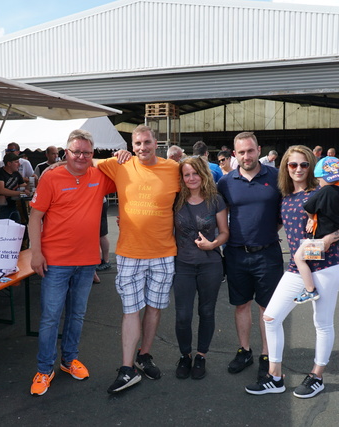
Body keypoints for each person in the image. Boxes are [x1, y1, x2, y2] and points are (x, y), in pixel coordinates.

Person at [245, 145, 339, 399]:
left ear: (312, 167)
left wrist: (328, 240)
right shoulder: (284, 196)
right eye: (292, 165)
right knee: (271, 317)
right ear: (285, 167)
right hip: (298, 267)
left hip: (326, 265)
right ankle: (275, 377)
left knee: (322, 323)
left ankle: (316, 376)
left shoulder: (322, 191)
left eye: (304, 165)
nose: (298, 169)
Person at [28, 129, 116, 396]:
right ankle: (45, 369)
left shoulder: (99, 176)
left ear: (93, 154)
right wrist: (36, 253)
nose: (80, 156)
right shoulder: (51, 177)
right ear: (66, 152)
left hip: (87, 261)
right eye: (75, 151)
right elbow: (34, 218)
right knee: (50, 319)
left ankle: (68, 361)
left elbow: (127, 172)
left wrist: (120, 155)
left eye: (86, 152)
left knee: (76, 315)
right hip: (55, 261)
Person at [96, 125, 180, 394]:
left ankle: (144, 355)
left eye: (146, 142)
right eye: (137, 144)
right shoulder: (120, 164)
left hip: (164, 252)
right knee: (130, 310)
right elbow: (83, 160)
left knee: (154, 308)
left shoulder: (173, 169)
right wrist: (54, 166)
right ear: (131, 146)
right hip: (130, 253)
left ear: (157, 143)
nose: (142, 148)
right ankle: (127, 368)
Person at [217, 131, 283, 382]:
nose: (246, 156)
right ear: (235, 154)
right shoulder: (226, 182)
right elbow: (216, 214)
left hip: (268, 253)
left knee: (267, 307)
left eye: (250, 150)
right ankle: (244, 351)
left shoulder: (276, 177)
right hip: (235, 254)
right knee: (241, 304)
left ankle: (267, 355)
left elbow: (285, 212)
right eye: (241, 152)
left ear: (259, 150)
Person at [173, 157, 229, 380]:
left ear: (203, 174)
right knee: (182, 315)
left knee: (206, 312)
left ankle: (201, 356)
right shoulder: (176, 200)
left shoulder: (215, 199)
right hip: (183, 264)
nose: (191, 178)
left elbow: (224, 231)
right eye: (186, 174)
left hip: (210, 265)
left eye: (195, 173)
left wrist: (213, 244)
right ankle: (185, 355)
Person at [294, 156, 339, 304]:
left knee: (299, 257)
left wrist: (312, 217)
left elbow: (308, 207)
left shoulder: (325, 191)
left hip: (320, 239)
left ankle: (310, 290)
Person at [0, 152, 31, 220]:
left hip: (13, 205)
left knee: (17, 225)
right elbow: (1, 190)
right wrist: (21, 193)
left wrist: (31, 182)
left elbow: (23, 186)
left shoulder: (16, 173)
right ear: (9, 163)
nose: (19, 164)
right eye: (16, 162)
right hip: (0, 207)